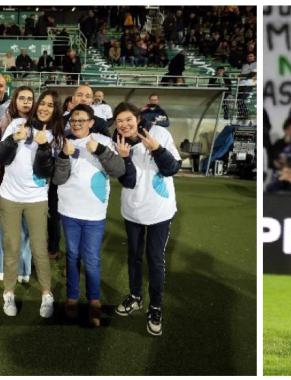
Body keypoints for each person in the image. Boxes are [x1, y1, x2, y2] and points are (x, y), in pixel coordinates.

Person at [112, 102, 181, 336]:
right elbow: (128, 181)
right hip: (132, 210)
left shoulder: (159, 133)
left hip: (160, 210)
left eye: (128, 119)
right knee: (134, 256)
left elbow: (172, 168)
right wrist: (125, 158)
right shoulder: (118, 141)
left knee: (155, 259)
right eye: (119, 121)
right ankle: (135, 296)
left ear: (138, 118)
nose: (124, 125)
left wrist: (158, 149)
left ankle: (155, 307)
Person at [53, 104, 125, 327]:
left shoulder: (102, 141)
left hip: (94, 213)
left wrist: (101, 151)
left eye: (81, 120)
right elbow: (57, 179)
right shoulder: (64, 142)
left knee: (92, 259)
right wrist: (64, 157)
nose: (76, 124)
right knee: (72, 255)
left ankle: (94, 301)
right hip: (69, 210)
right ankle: (72, 297)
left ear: (91, 122)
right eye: (73, 120)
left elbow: (119, 170)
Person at [0, 89, 65, 318]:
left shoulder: (56, 137)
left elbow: (44, 171)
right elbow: (2, 156)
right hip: (9, 197)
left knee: (39, 248)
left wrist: (44, 147)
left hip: (37, 199)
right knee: (12, 246)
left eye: (50, 105)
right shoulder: (18, 123)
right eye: (43, 103)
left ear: (55, 109)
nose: (45, 107)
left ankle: (47, 293)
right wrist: (13, 138)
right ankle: (8, 292)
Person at [0, 86, 34, 283]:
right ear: (15, 100)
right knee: (8, 229)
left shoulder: (39, 123)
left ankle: (24, 269)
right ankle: (4, 265)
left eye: (30, 98)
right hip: (9, 183)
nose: (26, 102)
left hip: (32, 187)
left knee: (27, 229)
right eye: (22, 98)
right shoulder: (8, 121)